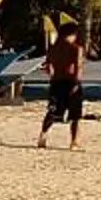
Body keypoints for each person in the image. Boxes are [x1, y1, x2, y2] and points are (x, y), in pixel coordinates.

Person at [37, 21, 87, 150]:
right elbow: (78, 67)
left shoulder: (53, 48)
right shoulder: (76, 48)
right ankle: (74, 142)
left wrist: (53, 76)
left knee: (53, 111)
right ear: (72, 34)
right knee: (75, 115)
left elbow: (48, 67)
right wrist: (76, 83)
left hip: (56, 82)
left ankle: (43, 135)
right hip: (71, 81)